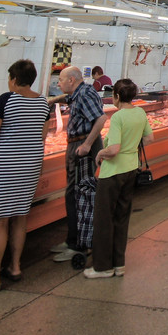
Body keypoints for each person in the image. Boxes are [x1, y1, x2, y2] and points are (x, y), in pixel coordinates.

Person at [0, 59, 52, 292]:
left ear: (14, 80)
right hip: (30, 165)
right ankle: (14, 267)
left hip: (4, 167)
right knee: (20, 217)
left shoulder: (6, 99)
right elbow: (42, 135)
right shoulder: (43, 102)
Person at [84, 78, 151, 279]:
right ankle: (118, 264)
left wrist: (99, 154)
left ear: (118, 96)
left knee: (104, 219)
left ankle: (103, 267)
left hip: (112, 173)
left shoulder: (119, 117)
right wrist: (132, 145)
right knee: (122, 217)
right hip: (131, 169)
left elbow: (113, 149)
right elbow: (149, 138)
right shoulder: (140, 112)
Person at [50, 66, 106, 262]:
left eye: (61, 80)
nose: (58, 84)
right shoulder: (80, 93)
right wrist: (53, 100)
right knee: (73, 193)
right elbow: (70, 100)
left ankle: (79, 244)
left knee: (79, 194)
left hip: (82, 147)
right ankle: (72, 239)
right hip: (78, 144)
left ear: (72, 80)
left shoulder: (84, 94)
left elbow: (101, 118)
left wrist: (87, 144)